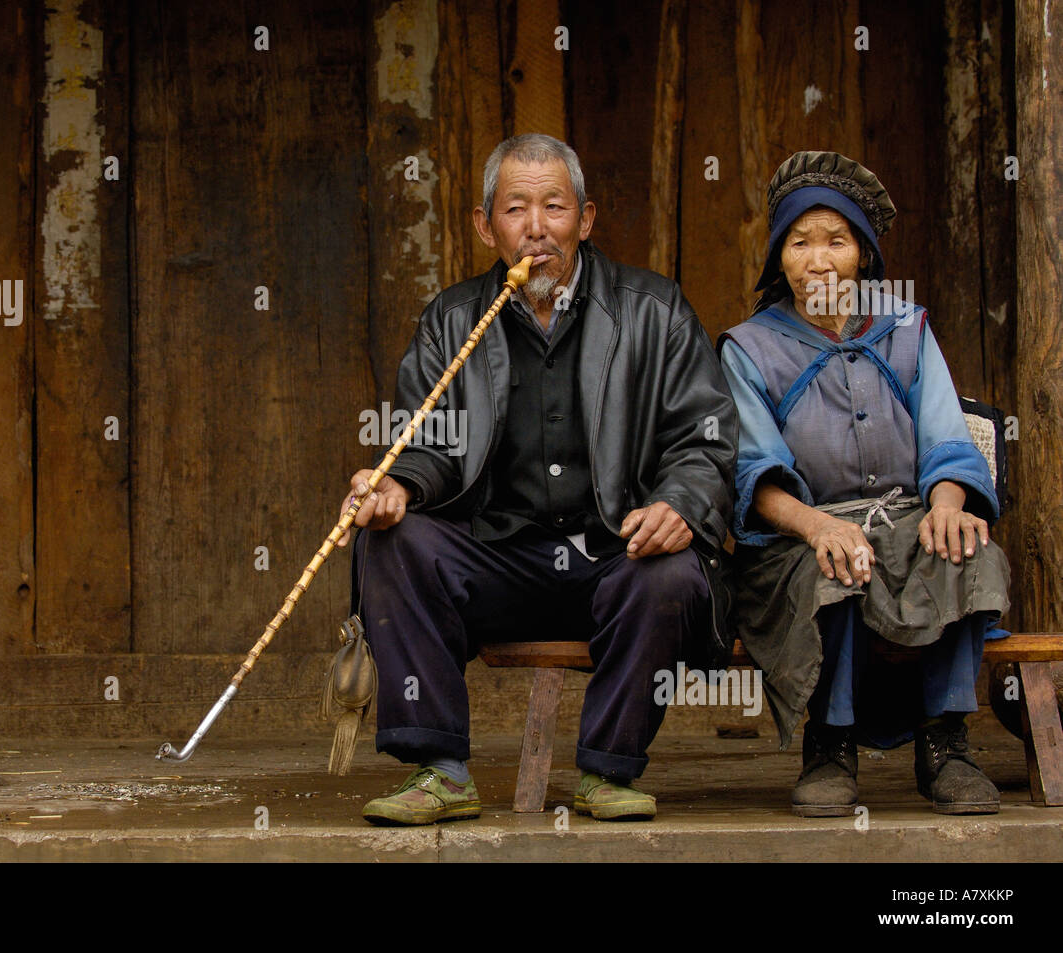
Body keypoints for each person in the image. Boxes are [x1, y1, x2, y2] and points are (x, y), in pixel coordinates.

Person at [336, 134, 737, 825]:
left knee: (673, 573)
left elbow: (705, 437)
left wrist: (680, 501)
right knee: (393, 540)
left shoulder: (654, 311)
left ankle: (607, 771)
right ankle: (442, 771)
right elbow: (429, 443)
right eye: (516, 208)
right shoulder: (453, 320)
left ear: (585, 219)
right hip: (499, 563)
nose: (537, 227)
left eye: (555, 206)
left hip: (617, 557)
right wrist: (398, 484)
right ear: (484, 225)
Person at [718, 151, 1011, 817]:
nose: (818, 259)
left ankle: (947, 741)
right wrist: (820, 525)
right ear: (778, 257)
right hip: (797, 538)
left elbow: (945, 434)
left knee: (966, 547)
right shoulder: (748, 348)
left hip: (906, 516)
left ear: (864, 256)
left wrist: (946, 502)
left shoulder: (907, 329)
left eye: (836, 240)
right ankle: (831, 741)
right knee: (839, 561)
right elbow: (751, 472)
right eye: (799, 242)